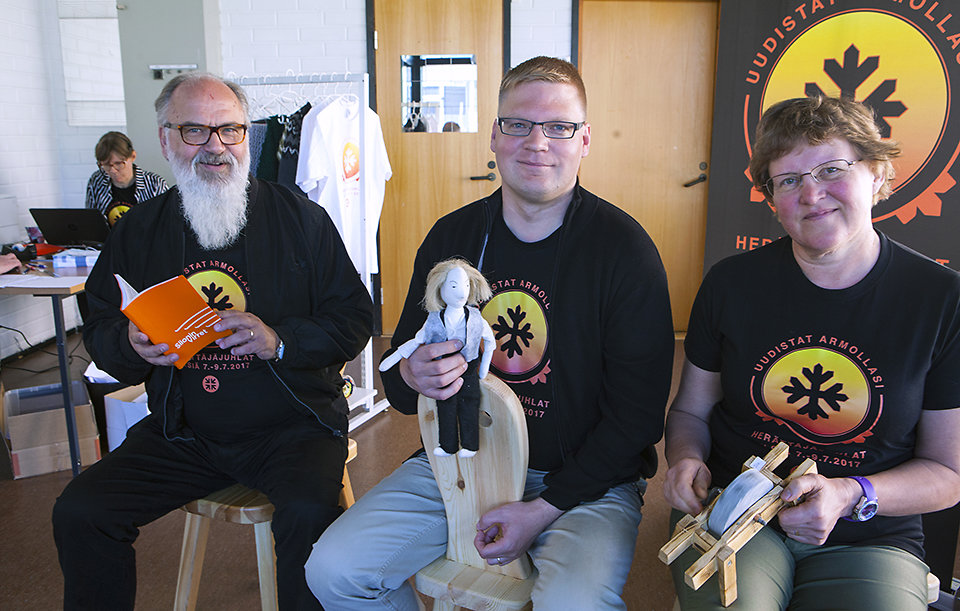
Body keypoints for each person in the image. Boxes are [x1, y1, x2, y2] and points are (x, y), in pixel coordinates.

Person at [306, 56, 675, 609]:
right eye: (518, 124)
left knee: (573, 604)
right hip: (459, 461)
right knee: (334, 572)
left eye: (559, 127)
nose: (537, 143)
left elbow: (637, 419)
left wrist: (543, 509)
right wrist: (413, 373)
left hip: (585, 483)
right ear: (496, 136)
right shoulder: (452, 236)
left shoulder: (625, 251)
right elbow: (401, 388)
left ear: (585, 140)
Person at [53, 73, 373, 610]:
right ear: (165, 140)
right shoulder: (140, 231)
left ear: (247, 136)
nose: (215, 146)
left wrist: (279, 340)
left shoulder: (301, 219)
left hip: (293, 427)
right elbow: (101, 325)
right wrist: (131, 344)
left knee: (309, 518)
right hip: (184, 431)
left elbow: (354, 318)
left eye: (230, 130)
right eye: (194, 131)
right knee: (81, 511)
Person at [663, 96, 960, 611]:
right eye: (788, 180)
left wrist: (850, 494)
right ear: (772, 198)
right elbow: (690, 411)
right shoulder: (731, 284)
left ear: (876, 171)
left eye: (831, 170)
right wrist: (686, 459)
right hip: (736, 509)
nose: (811, 194)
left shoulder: (941, 300)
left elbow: (947, 473)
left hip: (869, 534)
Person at [379, 257, 496, 458]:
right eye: (454, 286)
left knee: (469, 404)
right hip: (441, 370)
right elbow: (416, 341)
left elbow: (490, 342)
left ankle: (470, 445)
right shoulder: (433, 319)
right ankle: (447, 446)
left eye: (465, 285)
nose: (461, 292)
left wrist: (484, 368)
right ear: (440, 288)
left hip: (469, 368)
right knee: (445, 407)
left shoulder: (476, 318)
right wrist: (398, 359)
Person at [84, 131, 168, 226]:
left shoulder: (155, 184)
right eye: (106, 165)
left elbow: (166, 223)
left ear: (133, 156)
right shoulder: (97, 181)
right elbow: (90, 222)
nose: (113, 170)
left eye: (119, 163)